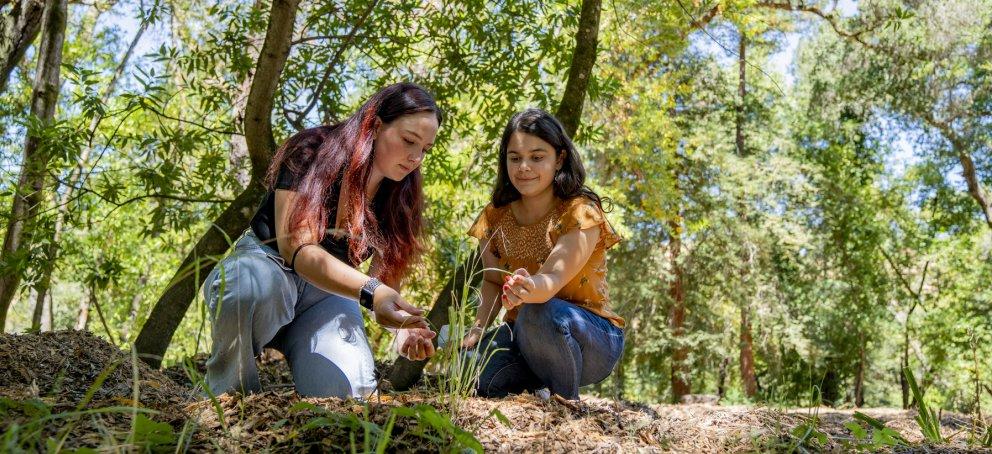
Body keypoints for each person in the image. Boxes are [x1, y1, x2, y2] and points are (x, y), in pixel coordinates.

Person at [204, 83, 441, 398]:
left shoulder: (402, 196)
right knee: (246, 288)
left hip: (329, 298)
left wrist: (401, 326)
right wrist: (373, 293)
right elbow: (298, 251)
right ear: (376, 124)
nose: (415, 158)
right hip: (269, 265)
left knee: (351, 395)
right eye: (409, 140)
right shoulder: (311, 150)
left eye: (425, 149)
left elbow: (382, 285)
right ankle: (227, 401)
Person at [461, 108, 625, 400]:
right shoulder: (494, 217)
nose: (524, 167)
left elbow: (551, 279)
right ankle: (538, 387)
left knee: (538, 311)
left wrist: (528, 289)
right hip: (523, 336)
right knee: (472, 372)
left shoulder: (580, 212)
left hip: (592, 337)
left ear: (559, 158)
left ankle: (566, 406)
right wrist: (476, 331)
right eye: (515, 158)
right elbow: (492, 282)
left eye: (537, 157)